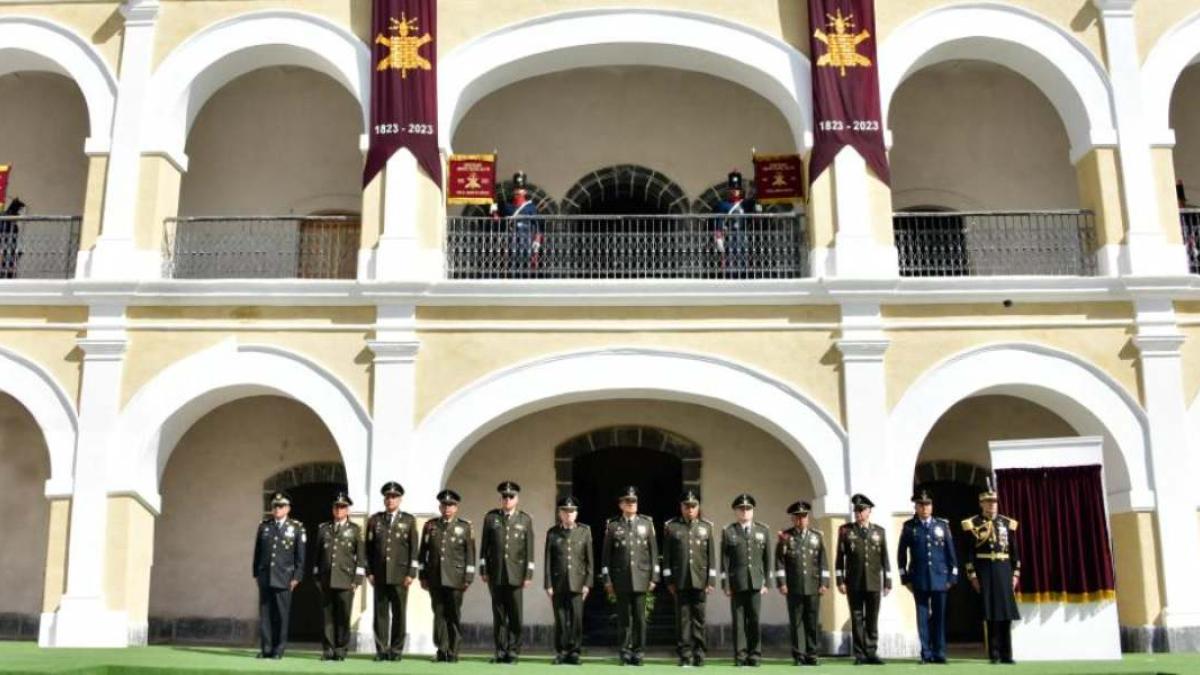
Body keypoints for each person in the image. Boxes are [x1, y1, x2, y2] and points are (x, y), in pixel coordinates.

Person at [962, 481, 1021, 665]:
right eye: (988, 502)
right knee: (991, 614)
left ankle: (1007, 654)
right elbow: (969, 553)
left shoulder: (1006, 523)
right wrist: (972, 575)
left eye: (994, 501)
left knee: (1005, 614)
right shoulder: (973, 524)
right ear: (981, 504)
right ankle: (994, 654)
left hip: (1004, 570)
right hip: (985, 570)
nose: (992, 505)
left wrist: (1015, 574)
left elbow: (1014, 552)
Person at [898, 489, 957, 664]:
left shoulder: (942, 525)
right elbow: (901, 554)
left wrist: (952, 577)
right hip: (920, 578)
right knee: (922, 617)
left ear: (932, 506)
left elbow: (951, 553)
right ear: (915, 507)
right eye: (920, 505)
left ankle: (939, 652)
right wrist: (905, 578)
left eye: (927, 505)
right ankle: (926, 653)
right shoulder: (909, 527)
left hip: (941, 579)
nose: (924, 508)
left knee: (939, 616)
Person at [601, 486, 659, 666]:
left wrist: (654, 577)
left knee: (640, 619)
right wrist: (607, 580)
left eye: (634, 501)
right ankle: (625, 652)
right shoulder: (613, 526)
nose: (631, 504)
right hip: (621, 579)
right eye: (627, 501)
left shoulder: (646, 524)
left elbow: (653, 553)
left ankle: (639, 652)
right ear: (621, 505)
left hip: (642, 578)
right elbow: (606, 557)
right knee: (624, 618)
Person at [480, 480, 535, 664]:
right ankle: (500, 651)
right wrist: (483, 569)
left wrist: (528, 575)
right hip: (496, 574)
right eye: (504, 496)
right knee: (499, 615)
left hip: (516, 574)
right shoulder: (491, 518)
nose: (507, 499)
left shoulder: (524, 519)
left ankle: (513, 651)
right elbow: (484, 548)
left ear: (517, 499)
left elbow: (529, 550)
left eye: (511, 496)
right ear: (500, 498)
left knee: (515, 615)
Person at [419, 489, 476, 663]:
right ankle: (441, 649)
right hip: (435, 577)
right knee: (438, 614)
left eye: (450, 505)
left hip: (456, 578)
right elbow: (423, 553)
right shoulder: (431, 526)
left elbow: (470, 555)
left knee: (453, 614)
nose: (447, 508)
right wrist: (422, 575)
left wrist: (468, 577)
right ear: (440, 506)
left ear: (456, 507)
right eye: (444, 505)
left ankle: (454, 650)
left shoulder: (464, 527)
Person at [662, 489, 717, 667]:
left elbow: (711, 558)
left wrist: (711, 580)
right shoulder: (671, 527)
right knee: (683, 620)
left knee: (699, 619)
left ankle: (700, 654)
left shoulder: (706, 527)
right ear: (681, 507)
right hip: (681, 580)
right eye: (687, 506)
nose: (690, 509)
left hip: (700, 580)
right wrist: (669, 581)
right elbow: (667, 558)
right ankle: (685, 655)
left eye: (693, 506)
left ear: (698, 507)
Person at [365, 481, 418, 661]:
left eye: (394, 497)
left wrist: (411, 573)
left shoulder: (408, 520)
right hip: (379, 574)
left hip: (400, 575)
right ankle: (381, 650)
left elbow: (413, 549)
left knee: (399, 614)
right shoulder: (375, 520)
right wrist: (369, 572)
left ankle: (396, 651)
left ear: (400, 499)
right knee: (380, 614)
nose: (390, 500)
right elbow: (368, 549)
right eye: (387, 497)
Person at [835, 493, 890, 666]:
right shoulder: (846, 530)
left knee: (872, 617)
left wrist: (888, 582)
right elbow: (839, 558)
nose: (858, 513)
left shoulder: (879, 531)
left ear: (869, 511)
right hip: (854, 582)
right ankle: (859, 654)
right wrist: (840, 580)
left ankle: (872, 651)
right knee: (857, 617)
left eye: (862, 510)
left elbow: (885, 559)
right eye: (856, 510)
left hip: (873, 582)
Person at [721, 493, 772, 667]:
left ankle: (755, 655)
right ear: (736, 511)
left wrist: (768, 583)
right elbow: (725, 561)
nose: (744, 512)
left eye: (748, 508)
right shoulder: (729, 531)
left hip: (757, 582)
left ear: (753, 511)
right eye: (741, 509)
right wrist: (726, 584)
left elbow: (768, 560)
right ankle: (740, 656)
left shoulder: (763, 530)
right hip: (737, 583)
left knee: (755, 620)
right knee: (739, 621)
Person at [252, 492, 305, 659]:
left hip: (284, 578)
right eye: (275, 506)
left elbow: (300, 556)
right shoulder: (264, 526)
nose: (277, 509)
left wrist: (297, 576)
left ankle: (279, 649)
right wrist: (256, 573)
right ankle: (266, 648)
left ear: (288, 508)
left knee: (282, 615)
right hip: (265, 577)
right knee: (265, 614)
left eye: (281, 506)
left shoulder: (296, 527)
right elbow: (258, 553)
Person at [775, 500, 828, 666]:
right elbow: (779, 563)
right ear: (792, 519)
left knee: (812, 621)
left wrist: (824, 582)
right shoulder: (785, 537)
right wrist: (782, 583)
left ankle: (812, 655)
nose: (800, 520)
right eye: (797, 517)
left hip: (813, 586)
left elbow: (823, 562)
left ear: (808, 518)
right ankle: (799, 655)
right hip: (794, 586)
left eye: (803, 516)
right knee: (796, 622)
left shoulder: (817, 536)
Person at [314, 491, 365, 661]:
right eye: (336, 507)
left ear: (348, 510)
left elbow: (361, 557)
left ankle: (341, 649)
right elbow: (317, 556)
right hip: (326, 578)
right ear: (332, 509)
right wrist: (316, 577)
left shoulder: (355, 530)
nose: (339, 510)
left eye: (342, 507)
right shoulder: (323, 529)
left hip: (345, 579)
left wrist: (357, 580)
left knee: (343, 615)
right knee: (327, 615)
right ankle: (328, 649)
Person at [544, 495, 593, 665]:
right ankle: (561, 651)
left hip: (578, 583)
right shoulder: (553, 533)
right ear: (560, 513)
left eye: (572, 511)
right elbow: (548, 560)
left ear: (576, 514)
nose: (569, 514)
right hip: (558, 583)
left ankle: (574, 652)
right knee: (560, 619)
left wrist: (588, 583)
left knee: (576, 620)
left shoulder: (584, 531)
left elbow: (589, 561)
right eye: (565, 511)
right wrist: (548, 584)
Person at [492, 171, 541, 272]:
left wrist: (535, 252)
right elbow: (498, 220)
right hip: (511, 243)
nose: (518, 193)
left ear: (525, 192)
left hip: (526, 243)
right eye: (516, 190)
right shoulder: (507, 207)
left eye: (520, 190)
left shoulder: (531, 207)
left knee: (526, 273)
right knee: (511, 271)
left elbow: (537, 230)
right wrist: (494, 212)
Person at [713, 171, 760, 274]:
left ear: (741, 190)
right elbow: (719, 221)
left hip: (744, 236)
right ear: (729, 190)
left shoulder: (746, 203)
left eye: (737, 189)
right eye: (733, 189)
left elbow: (757, 205)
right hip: (729, 236)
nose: (735, 191)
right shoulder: (723, 205)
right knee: (729, 262)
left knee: (745, 260)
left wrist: (757, 205)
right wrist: (719, 237)